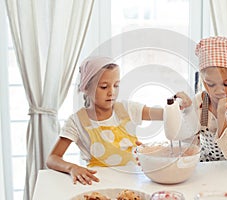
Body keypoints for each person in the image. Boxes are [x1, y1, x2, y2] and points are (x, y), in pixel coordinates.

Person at [46, 56, 165, 185]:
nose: (111, 92)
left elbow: (163, 114)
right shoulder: (77, 121)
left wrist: (177, 105)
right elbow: (52, 159)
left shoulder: (128, 109)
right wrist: (72, 168)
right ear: (86, 87)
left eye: (116, 85)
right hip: (98, 184)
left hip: (133, 182)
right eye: (104, 87)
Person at [174, 36, 227, 163]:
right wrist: (187, 112)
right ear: (202, 79)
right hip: (207, 167)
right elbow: (188, 142)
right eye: (210, 84)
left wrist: (221, 114)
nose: (219, 91)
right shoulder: (200, 103)